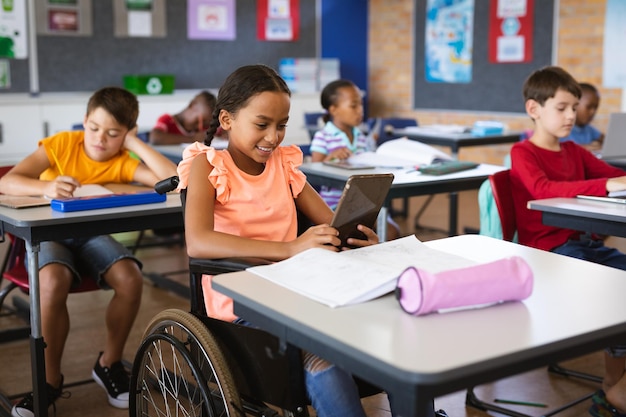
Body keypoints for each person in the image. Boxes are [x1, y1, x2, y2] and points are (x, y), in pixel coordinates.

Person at [177, 64, 383, 417]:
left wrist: (360, 237)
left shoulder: (285, 166)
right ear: (226, 120)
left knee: (383, 321)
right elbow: (198, 242)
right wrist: (289, 249)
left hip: (294, 289)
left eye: (282, 125)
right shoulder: (207, 165)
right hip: (240, 300)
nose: (274, 137)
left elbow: (332, 224)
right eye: (262, 124)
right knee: (321, 353)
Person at [0, 86, 178, 417]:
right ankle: (49, 381)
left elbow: (173, 180)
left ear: (125, 134)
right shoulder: (62, 144)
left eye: (113, 133)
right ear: (84, 121)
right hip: (49, 236)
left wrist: (136, 144)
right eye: (93, 128)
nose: (99, 139)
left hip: (91, 237)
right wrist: (46, 187)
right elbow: (7, 182)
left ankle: (108, 363)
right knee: (52, 282)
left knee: (130, 278)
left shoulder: (124, 160)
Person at [510, 65, 626, 417]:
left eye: (575, 108)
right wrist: (605, 186)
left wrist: (615, 180)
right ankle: (613, 389)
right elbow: (543, 190)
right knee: (616, 290)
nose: (571, 115)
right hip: (550, 254)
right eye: (562, 108)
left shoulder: (574, 152)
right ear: (535, 109)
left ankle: (614, 388)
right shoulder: (524, 153)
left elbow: (616, 176)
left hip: (583, 247)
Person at [309, 79, 400, 240]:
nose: (360, 111)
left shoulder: (360, 137)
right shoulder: (323, 136)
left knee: (392, 231)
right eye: (353, 106)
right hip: (334, 205)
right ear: (333, 109)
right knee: (361, 233)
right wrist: (331, 157)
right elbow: (315, 168)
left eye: (361, 105)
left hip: (364, 203)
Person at [149, 90, 222, 145]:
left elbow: (220, 131)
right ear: (191, 105)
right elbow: (155, 138)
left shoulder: (202, 127)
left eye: (205, 125)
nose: (200, 127)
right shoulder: (167, 120)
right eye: (197, 120)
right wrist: (192, 139)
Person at [560, 82, 604, 152]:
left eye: (595, 107)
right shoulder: (562, 127)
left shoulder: (588, 128)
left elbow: (605, 139)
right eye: (589, 107)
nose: (593, 112)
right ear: (575, 104)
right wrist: (582, 148)